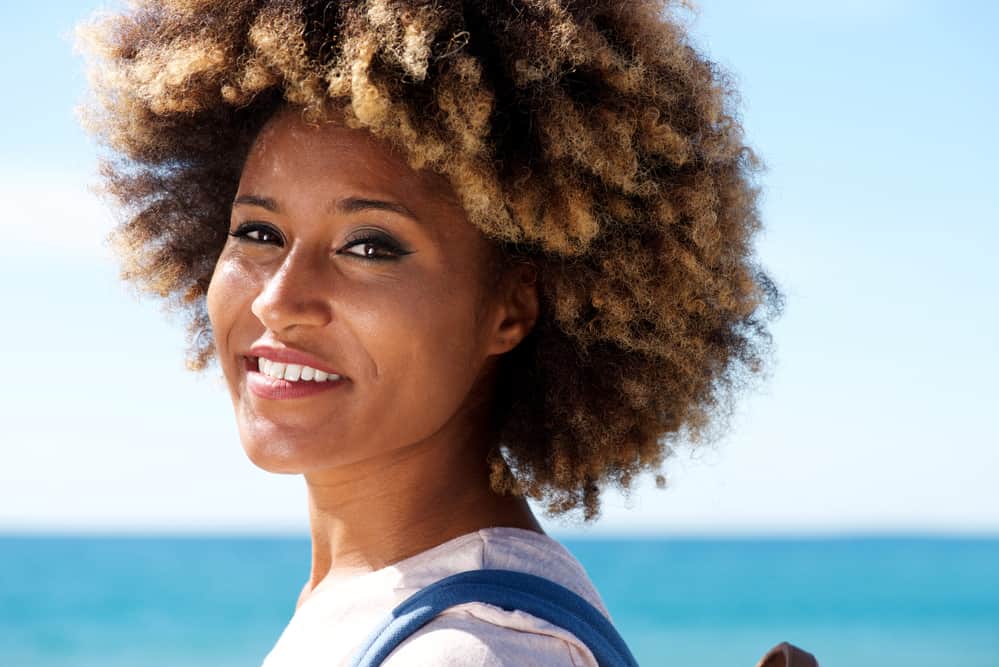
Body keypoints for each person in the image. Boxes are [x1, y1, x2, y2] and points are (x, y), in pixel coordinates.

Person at [77, 1, 783, 665]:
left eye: (370, 245)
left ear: (509, 309)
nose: (278, 299)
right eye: (259, 232)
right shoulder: (371, 602)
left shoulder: (468, 649)